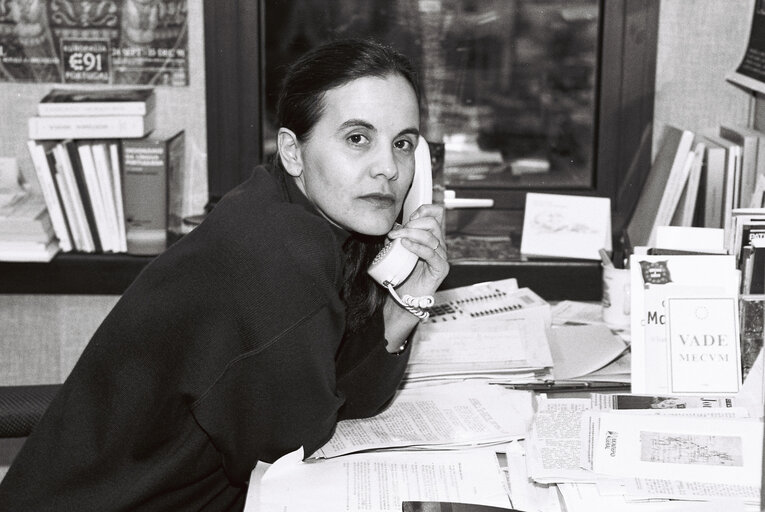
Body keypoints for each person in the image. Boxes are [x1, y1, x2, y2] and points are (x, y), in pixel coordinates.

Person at [0, 38, 448, 511]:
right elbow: (292, 458)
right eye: (357, 138)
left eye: (403, 144)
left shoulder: (294, 216)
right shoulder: (276, 256)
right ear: (293, 152)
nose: (388, 170)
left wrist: (402, 308)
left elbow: (335, 400)